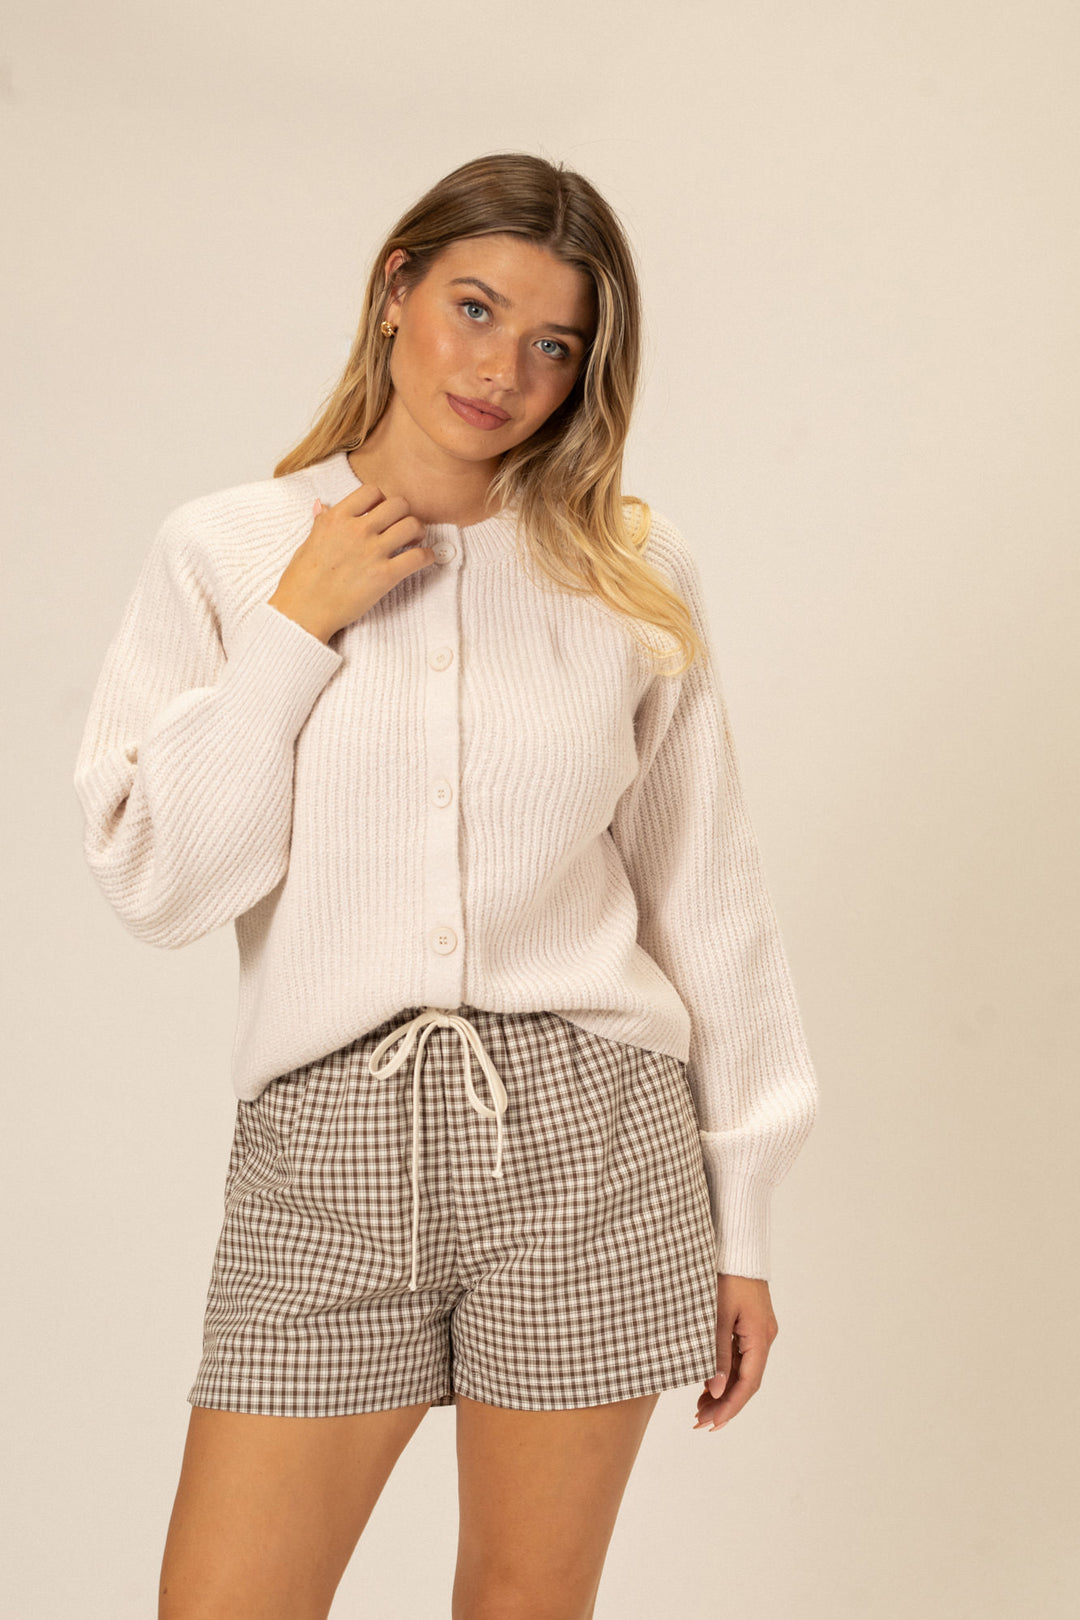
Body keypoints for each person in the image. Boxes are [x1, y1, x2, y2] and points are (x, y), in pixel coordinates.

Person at [73, 151, 820, 1620]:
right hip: (325, 1144)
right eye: (477, 309)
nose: (505, 372)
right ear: (398, 288)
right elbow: (159, 883)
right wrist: (298, 627)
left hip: (592, 1143)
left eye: (556, 345)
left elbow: (710, 904)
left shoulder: (627, 572)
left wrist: (748, 1228)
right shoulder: (228, 552)